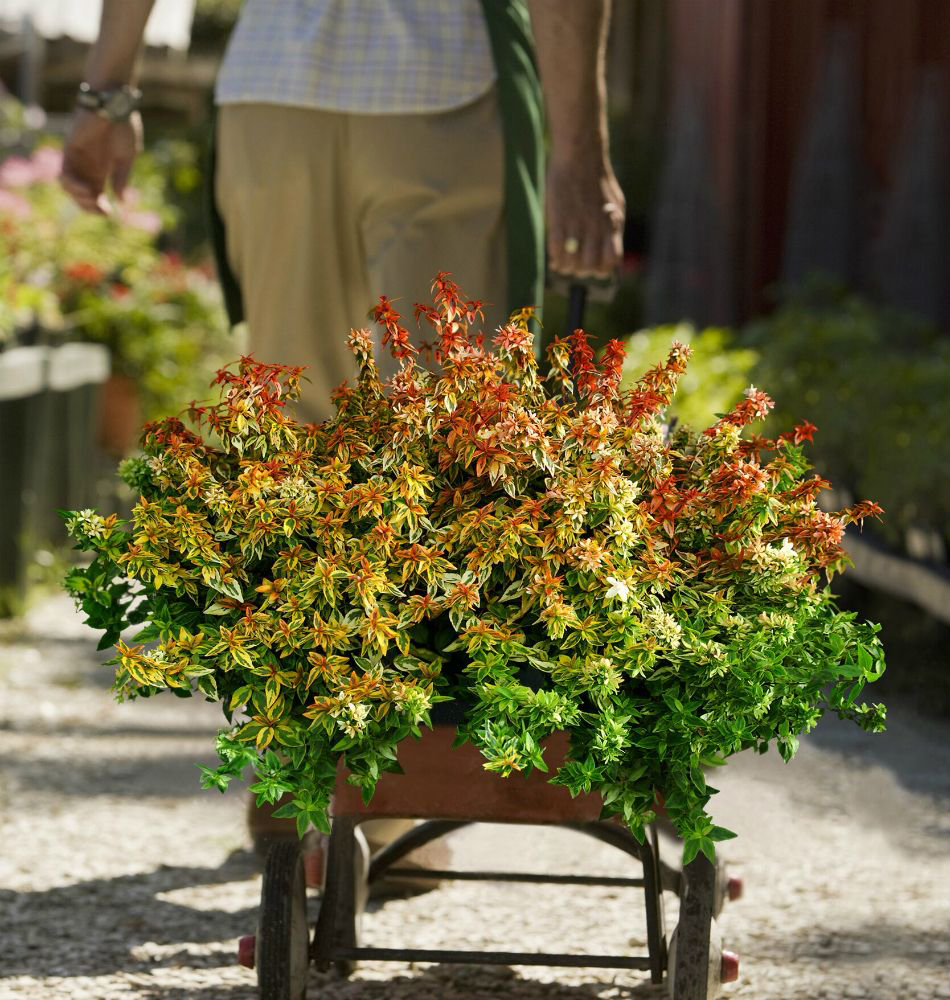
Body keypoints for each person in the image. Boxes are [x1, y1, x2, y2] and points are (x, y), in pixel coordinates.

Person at [61, 0, 624, 881]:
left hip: (274, 95)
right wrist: (581, 152)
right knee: (444, 448)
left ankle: (299, 779)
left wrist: (107, 91)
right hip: (444, 84)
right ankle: (388, 796)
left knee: (295, 436)